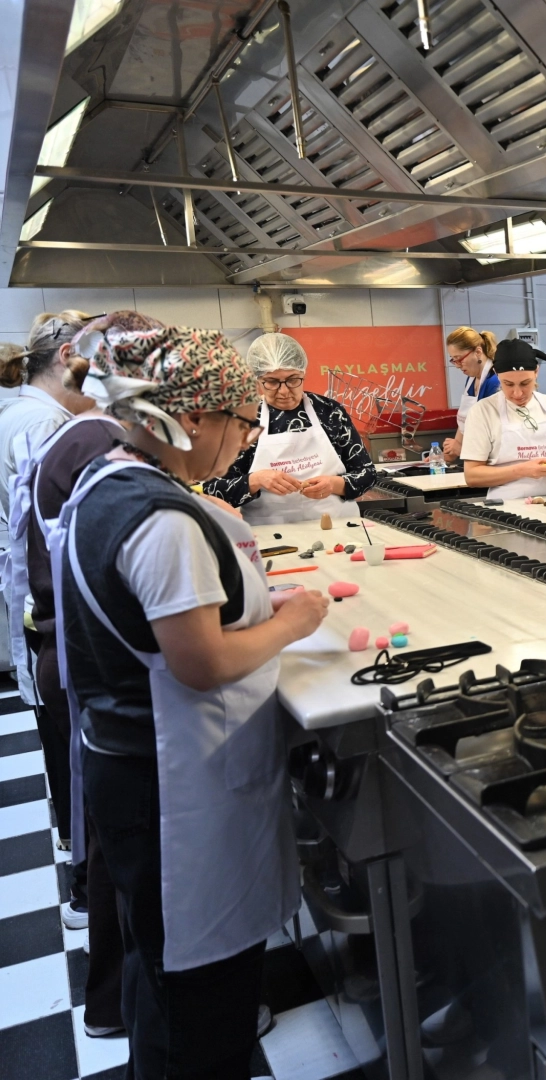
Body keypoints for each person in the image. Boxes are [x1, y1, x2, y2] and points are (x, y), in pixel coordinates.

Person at [57, 323, 329, 1078]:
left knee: (168, 973)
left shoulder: (113, 481)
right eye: (244, 422)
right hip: (174, 790)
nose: (246, 442)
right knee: (199, 998)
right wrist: (294, 620)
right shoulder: (163, 520)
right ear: (195, 417)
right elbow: (202, 663)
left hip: (141, 768)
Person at [13, 311, 164, 1039]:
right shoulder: (94, 443)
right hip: (97, 669)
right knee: (120, 851)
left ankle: (115, 1006)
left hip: (75, 660)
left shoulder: (70, 436)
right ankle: (121, 1006)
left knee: (108, 841)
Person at [0, 311, 90, 840]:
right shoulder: (44, 424)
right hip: (50, 603)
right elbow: (52, 524)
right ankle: (82, 877)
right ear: (64, 358)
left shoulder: (19, 413)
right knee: (69, 739)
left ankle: (75, 845)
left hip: (36, 600)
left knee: (60, 734)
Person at [203, 333, 376, 524]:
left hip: (339, 528)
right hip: (271, 535)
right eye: (272, 382)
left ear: (303, 373)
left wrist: (335, 484)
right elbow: (212, 489)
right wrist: (256, 480)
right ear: (257, 380)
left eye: (293, 379)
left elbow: (366, 473)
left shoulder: (329, 412)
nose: (284, 391)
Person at [462, 338, 546, 500]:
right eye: (508, 384)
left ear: (536, 372)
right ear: (497, 374)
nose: (517, 393)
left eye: (525, 383)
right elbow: (472, 476)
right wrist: (522, 470)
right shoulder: (482, 412)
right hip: (506, 508)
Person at [443, 326, 499, 463]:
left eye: (459, 359)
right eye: (453, 359)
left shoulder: (495, 382)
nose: (457, 365)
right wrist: (445, 455)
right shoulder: (472, 379)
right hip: (474, 457)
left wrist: (461, 450)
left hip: (491, 464)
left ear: (478, 352)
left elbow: (497, 442)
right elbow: (464, 422)